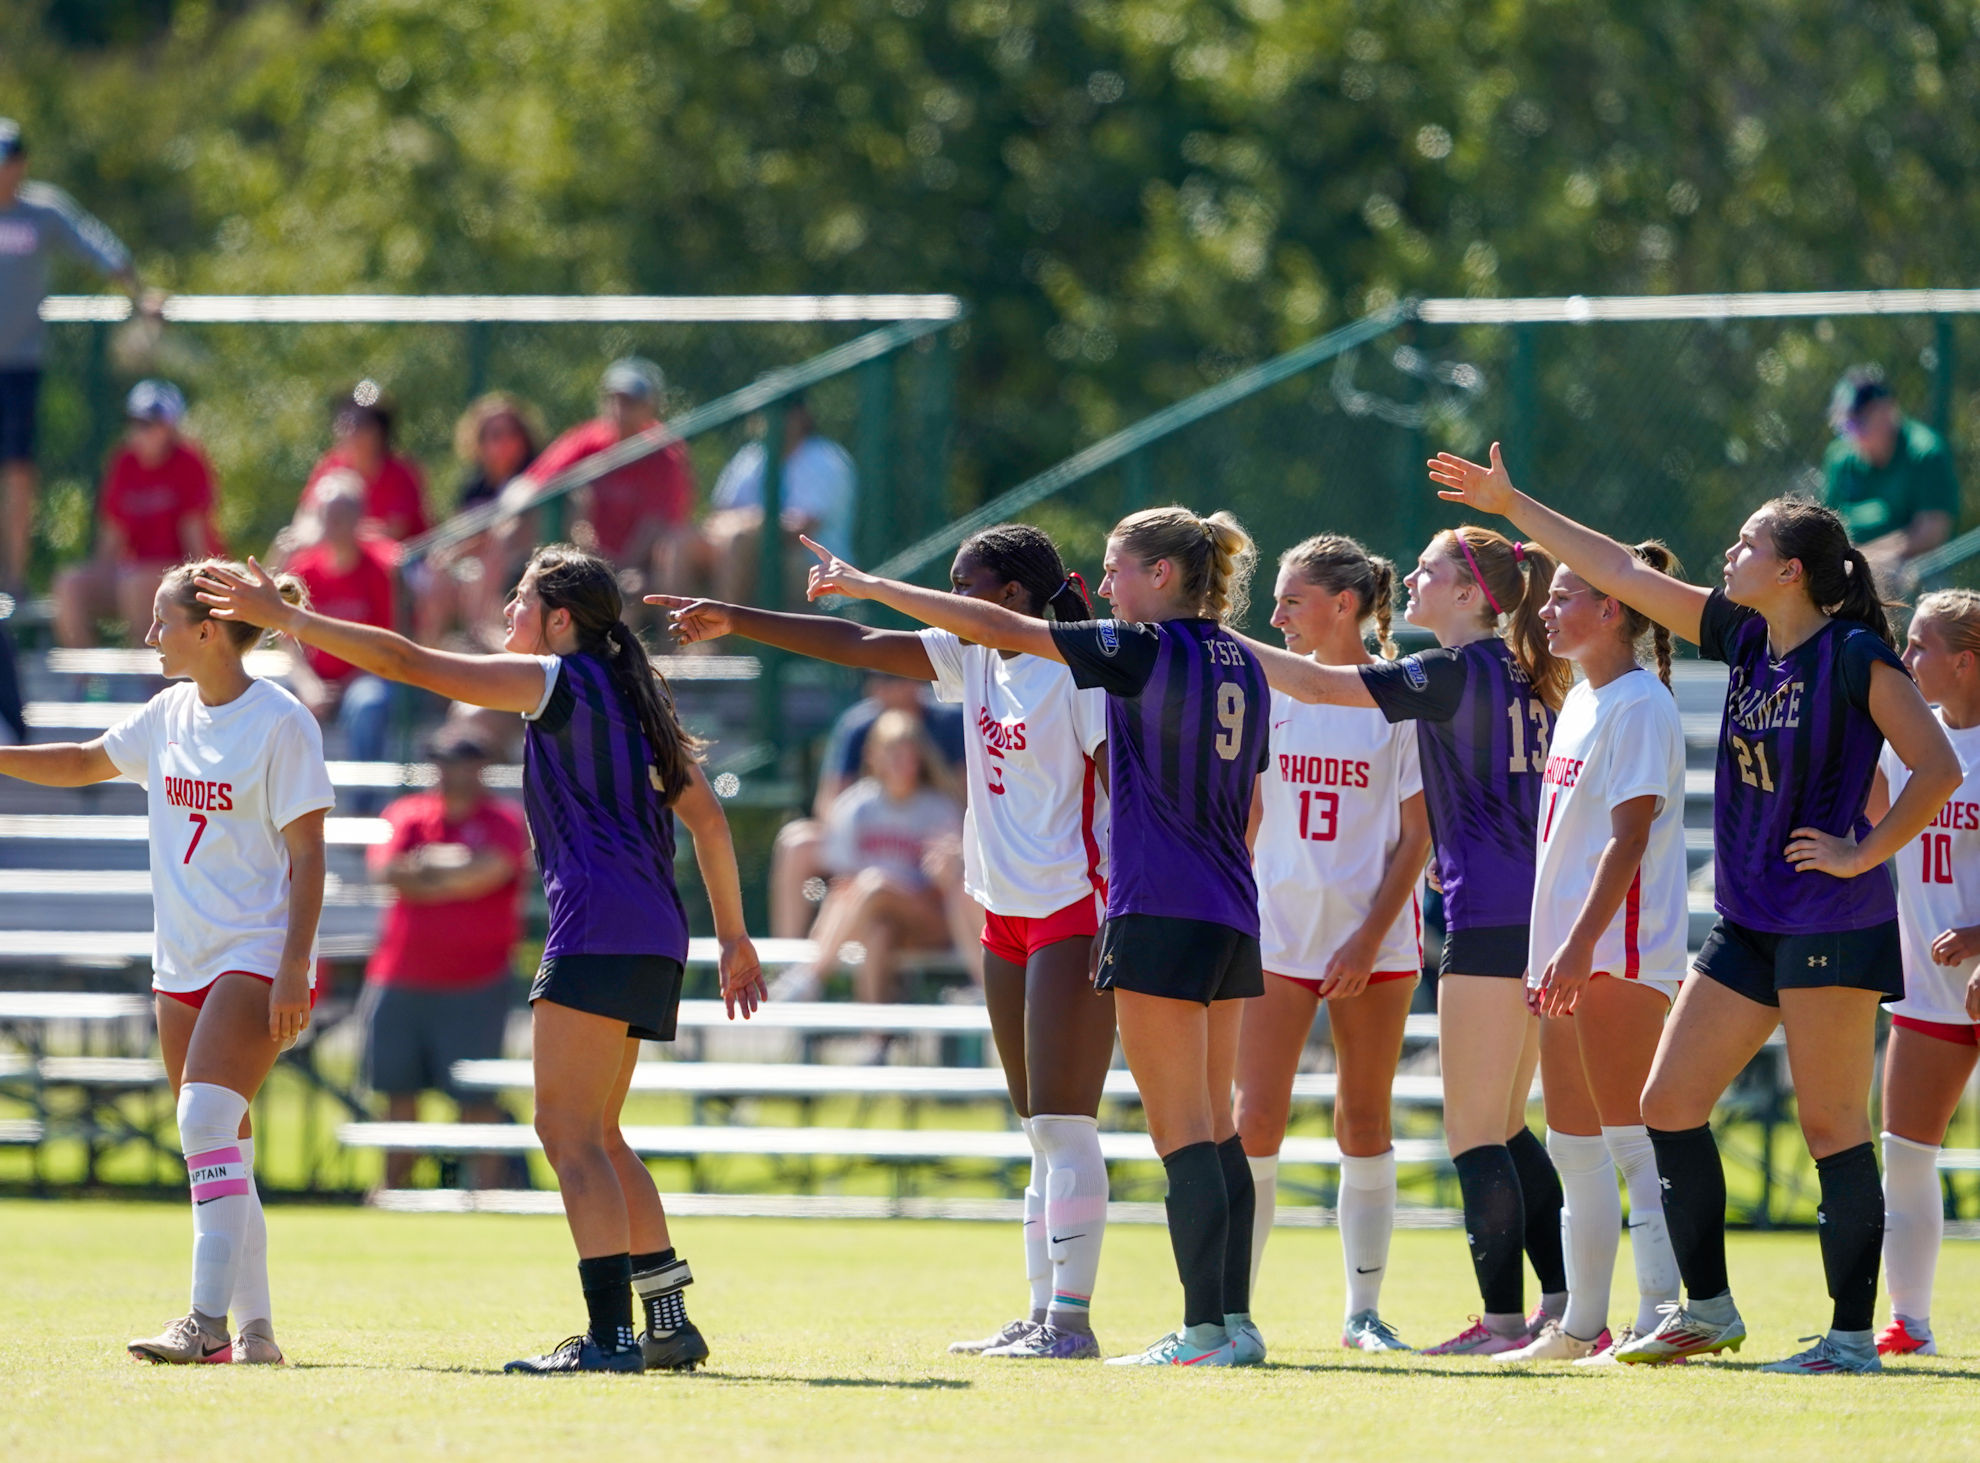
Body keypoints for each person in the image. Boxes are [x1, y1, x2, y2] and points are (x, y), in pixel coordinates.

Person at [1430, 442, 1960, 1375]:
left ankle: (1849, 1340)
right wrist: (1514, 506)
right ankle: (1706, 1310)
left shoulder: (1853, 654)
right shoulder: (1747, 637)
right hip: (1750, 921)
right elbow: (1620, 568)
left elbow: (1938, 766)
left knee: (1832, 1127)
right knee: (1667, 1104)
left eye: (1749, 543)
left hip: (1831, 922)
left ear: (1791, 572)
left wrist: (1863, 852)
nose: (1731, 552)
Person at [194, 543, 765, 1376]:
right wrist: (734, 937)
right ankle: (666, 1322)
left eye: (520, 599)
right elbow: (708, 819)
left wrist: (289, 619)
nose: (506, 612)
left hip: (598, 925)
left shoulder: (558, 679)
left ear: (559, 620)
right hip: (653, 931)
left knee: (566, 1133)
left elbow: (405, 661)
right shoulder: (633, 696)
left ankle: (610, 1339)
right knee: (600, 1133)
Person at [798, 508, 1271, 1369]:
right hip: (1220, 903)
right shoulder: (1238, 658)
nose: (1106, 585)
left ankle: (1186, 1330)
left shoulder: (1126, 653)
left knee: (1175, 1133)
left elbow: (1013, 635)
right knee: (1190, 1128)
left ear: (1163, 574)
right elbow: (1263, 790)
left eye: (1119, 568)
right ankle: (1220, 1323)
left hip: (1135, 906)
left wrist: (868, 582)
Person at [655, 521, 1115, 1359]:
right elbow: (859, 644)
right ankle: (1040, 1312)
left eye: (964, 584)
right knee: (1036, 1126)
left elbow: (1126, 798)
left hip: (1073, 908)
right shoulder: (977, 655)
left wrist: (1129, 910)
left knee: (1063, 1122)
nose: (952, 598)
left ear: (1013, 594)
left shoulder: (1076, 669)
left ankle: (1071, 1323)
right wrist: (736, 616)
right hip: (1002, 910)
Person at [1236, 523, 1574, 1356]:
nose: (1412, 580)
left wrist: (1200, 636)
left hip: (1446, 925)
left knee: (1454, 1129)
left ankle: (1473, 1318)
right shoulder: (1518, 670)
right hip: (1498, 915)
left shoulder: (1433, 678)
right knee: (1506, 1126)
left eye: (1429, 569)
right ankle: (1570, 1305)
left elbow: (1335, 706)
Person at [0, 558, 329, 1366]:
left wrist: (294, 963)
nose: (150, 635)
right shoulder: (169, 711)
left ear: (208, 630)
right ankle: (256, 1334)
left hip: (256, 953)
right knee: (225, 1145)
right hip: (180, 959)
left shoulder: (282, 721)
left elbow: (310, 855)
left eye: (162, 621)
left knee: (202, 1122)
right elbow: (83, 761)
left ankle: (205, 1324)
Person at [1489, 545, 1689, 1365]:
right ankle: (1580, 1328)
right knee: (1572, 1144)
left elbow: (1629, 839)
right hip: (1568, 953)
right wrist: (1555, 948)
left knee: (1633, 1141)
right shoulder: (1581, 696)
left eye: (1565, 596)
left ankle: (1659, 1319)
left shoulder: (1640, 703)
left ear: (1612, 611)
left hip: (1616, 951)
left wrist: (1575, 946)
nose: (1546, 608)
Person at [1232, 535, 1429, 1354]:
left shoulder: (1399, 695)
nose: (1275, 615)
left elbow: (1418, 834)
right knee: (1254, 1120)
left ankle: (1363, 1313)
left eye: (1292, 600)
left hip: (1373, 941)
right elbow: (1247, 815)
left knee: (1365, 1117)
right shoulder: (1267, 688)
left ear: (1343, 604)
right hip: (1278, 934)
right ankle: (1231, 1310)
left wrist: (1367, 939)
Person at [1867, 589, 1980, 1359]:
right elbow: (1873, 825)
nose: (1905, 659)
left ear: (1965, 662)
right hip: (1926, 988)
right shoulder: (1906, 739)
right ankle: (1909, 1320)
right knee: (1905, 1154)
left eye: (1919, 646)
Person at [360, 724, 529, 1192]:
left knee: (477, 1098)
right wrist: (459, 871)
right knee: (397, 1093)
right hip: (400, 976)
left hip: (478, 980)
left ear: (483, 766)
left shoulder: (504, 819)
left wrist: (427, 871)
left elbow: (491, 872)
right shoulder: (407, 813)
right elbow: (386, 870)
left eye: (466, 760)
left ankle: (486, 1196)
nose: (455, 771)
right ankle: (392, 1195)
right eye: (446, 760)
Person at [0, 117, 159, 591]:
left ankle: (13, 579)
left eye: (8, 163)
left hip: (20, 363)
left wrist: (139, 293)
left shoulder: (42, 213)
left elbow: (98, 246)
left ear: (22, 165)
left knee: (19, 472)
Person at [766, 670, 966, 944]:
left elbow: (968, 799)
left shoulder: (951, 721)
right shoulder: (859, 724)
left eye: (892, 678)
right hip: (871, 842)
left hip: (934, 842)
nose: (883, 687)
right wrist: (867, 838)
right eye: (876, 679)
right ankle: (788, 955)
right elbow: (829, 802)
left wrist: (918, 830)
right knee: (797, 842)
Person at [805, 709, 964, 1003]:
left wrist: (893, 889)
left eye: (907, 754)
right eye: (891, 754)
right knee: (880, 930)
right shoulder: (855, 806)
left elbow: (946, 887)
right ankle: (874, 1030)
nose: (900, 763)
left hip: (932, 922)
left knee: (876, 885)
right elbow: (842, 881)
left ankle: (811, 978)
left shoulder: (940, 809)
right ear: (873, 756)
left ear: (920, 758)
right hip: (872, 920)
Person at [54, 380, 219, 647]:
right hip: (131, 577)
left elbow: (196, 547)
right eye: (135, 421)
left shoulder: (188, 462)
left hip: (177, 574)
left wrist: (204, 589)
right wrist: (103, 575)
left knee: (136, 582)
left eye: (150, 423)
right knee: (70, 584)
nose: (140, 431)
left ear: (171, 427)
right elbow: (111, 540)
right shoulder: (124, 462)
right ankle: (86, 672)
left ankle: (148, 668)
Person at [520, 358, 696, 591]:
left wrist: (622, 569)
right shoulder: (588, 440)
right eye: (613, 399)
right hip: (585, 559)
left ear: (649, 406)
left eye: (630, 402)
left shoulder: (664, 453)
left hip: (640, 568)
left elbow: (660, 525)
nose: (619, 409)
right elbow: (534, 483)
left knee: (632, 588)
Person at [699, 393, 857, 604]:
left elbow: (801, 531)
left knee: (740, 541)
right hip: (746, 559)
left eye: (777, 412)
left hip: (817, 573)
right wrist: (752, 523)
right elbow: (714, 519)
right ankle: (676, 624)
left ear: (800, 416)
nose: (764, 420)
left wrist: (746, 524)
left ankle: (722, 623)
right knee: (682, 545)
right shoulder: (750, 456)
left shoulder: (824, 458)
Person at [285, 473, 398, 767]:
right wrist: (310, 685)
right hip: (315, 681)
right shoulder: (302, 570)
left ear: (359, 518)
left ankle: (363, 791)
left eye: (341, 517)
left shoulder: (382, 569)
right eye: (326, 516)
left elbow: (388, 643)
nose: (332, 525)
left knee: (367, 703)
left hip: (365, 677)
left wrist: (342, 689)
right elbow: (288, 642)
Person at [424, 391, 545, 646]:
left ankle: (482, 637)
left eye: (512, 433)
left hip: (521, 564)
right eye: (495, 435)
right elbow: (458, 532)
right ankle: (427, 652)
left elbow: (510, 532)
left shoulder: (534, 475)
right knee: (438, 569)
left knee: (483, 563)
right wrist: (452, 554)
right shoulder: (474, 486)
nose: (505, 441)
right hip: (475, 567)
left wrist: (465, 549)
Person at [1823, 368, 1959, 589]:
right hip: (1852, 568)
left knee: (1901, 575)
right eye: (1845, 426)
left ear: (1888, 411)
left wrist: (1868, 559)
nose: (1853, 435)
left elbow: (1933, 531)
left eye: (1859, 422)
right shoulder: (1839, 458)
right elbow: (1828, 529)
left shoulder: (1924, 452)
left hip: (1911, 570)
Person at [291, 381, 429, 549]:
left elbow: (395, 533)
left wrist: (340, 531)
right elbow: (305, 519)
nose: (349, 430)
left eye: (360, 423)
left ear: (380, 431)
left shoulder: (400, 472)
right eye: (344, 421)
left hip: (401, 560)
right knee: (286, 546)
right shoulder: (330, 466)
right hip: (340, 556)